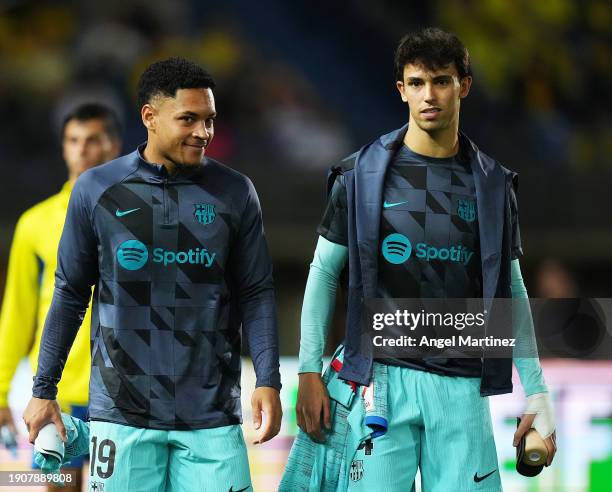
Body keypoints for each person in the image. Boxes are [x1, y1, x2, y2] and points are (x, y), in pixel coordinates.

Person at [292, 28, 556, 491]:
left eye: (441, 81)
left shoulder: (494, 185)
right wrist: (309, 371)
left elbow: (510, 289)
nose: (428, 95)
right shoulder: (358, 175)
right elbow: (323, 272)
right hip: (379, 382)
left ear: (464, 85)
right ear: (401, 90)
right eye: (416, 83)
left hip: (462, 386)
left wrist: (535, 388)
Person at [22, 57, 282, 492]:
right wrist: (43, 388)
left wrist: (269, 379)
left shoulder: (236, 192)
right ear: (150, 117)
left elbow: (256, 292)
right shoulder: (96, 190)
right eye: (189, 119)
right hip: (121, 419)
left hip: (211, 418)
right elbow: (69, 295)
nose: (204, 132)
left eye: (210, 120)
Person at [0, 103, 122, 492]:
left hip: (123, 392)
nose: (82, 150)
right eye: (73, 141)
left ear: (114, 145)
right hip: (59, 392)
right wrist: (0, 390)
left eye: (93, 140)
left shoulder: (139, 215)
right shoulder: (35, 224)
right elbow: (17, 312)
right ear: (63, 148)